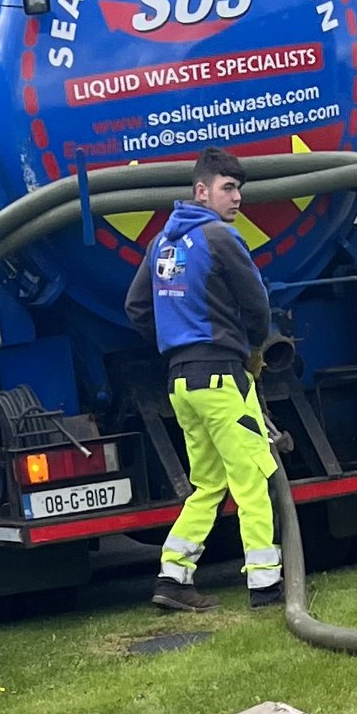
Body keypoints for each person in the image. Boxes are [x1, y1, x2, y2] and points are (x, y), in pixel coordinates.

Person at [126, 150, 282, 615]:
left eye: (239, 189)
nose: (237, 198)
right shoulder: (220, 238)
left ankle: (172, 577)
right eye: (228, 188)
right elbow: (257, 305)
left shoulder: (161, 245)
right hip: (220, 376)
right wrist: (253, 348)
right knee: (253, 478)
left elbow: (136, 308)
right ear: (201, 191)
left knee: (208, 484)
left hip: (181, 383)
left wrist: (176, 340)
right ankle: (266, 586)